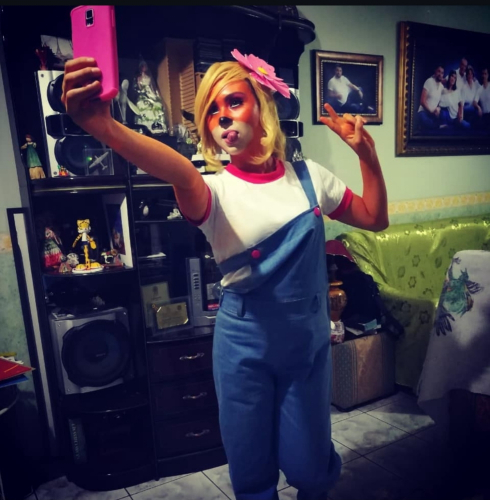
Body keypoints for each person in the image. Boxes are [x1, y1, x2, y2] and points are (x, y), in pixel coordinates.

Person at [62, 49, 388, 500]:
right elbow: (178, 169)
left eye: (234, 101)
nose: (222, 117)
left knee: (311, 466)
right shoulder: (211, 190)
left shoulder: (310, 177)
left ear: (262, 105)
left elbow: (374, 218)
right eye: (211, 111)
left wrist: (368, 156)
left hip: (306, 345)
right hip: (244, 347)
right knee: (252, 471)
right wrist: (104, 127)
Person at [417, 65, 445, 131]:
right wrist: (431, 111)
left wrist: (438, 109)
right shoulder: (429, 81)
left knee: (443, 115)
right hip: (424, 112)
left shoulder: (442, 87)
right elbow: (422, 101)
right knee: (425, 121)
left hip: (433, 114)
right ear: (435, 71)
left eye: (442, 73)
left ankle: (435, 126)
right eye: (439, 71)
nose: (440, 74)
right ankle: (437, 126)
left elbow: (440, 103)